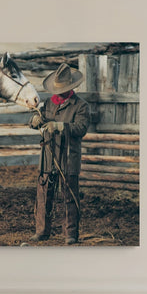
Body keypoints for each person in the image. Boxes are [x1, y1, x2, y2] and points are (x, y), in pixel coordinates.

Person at [30, 62, 91, 244]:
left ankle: (70, 234)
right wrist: (35, 121)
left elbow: (81, 128)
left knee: (70, 197)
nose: (58, 92)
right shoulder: (48, 104)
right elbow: (38, 120)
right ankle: (42, 231)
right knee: (43, 195)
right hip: (48, 156)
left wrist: (60, 126)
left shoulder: (81, 106)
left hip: (68, 158)